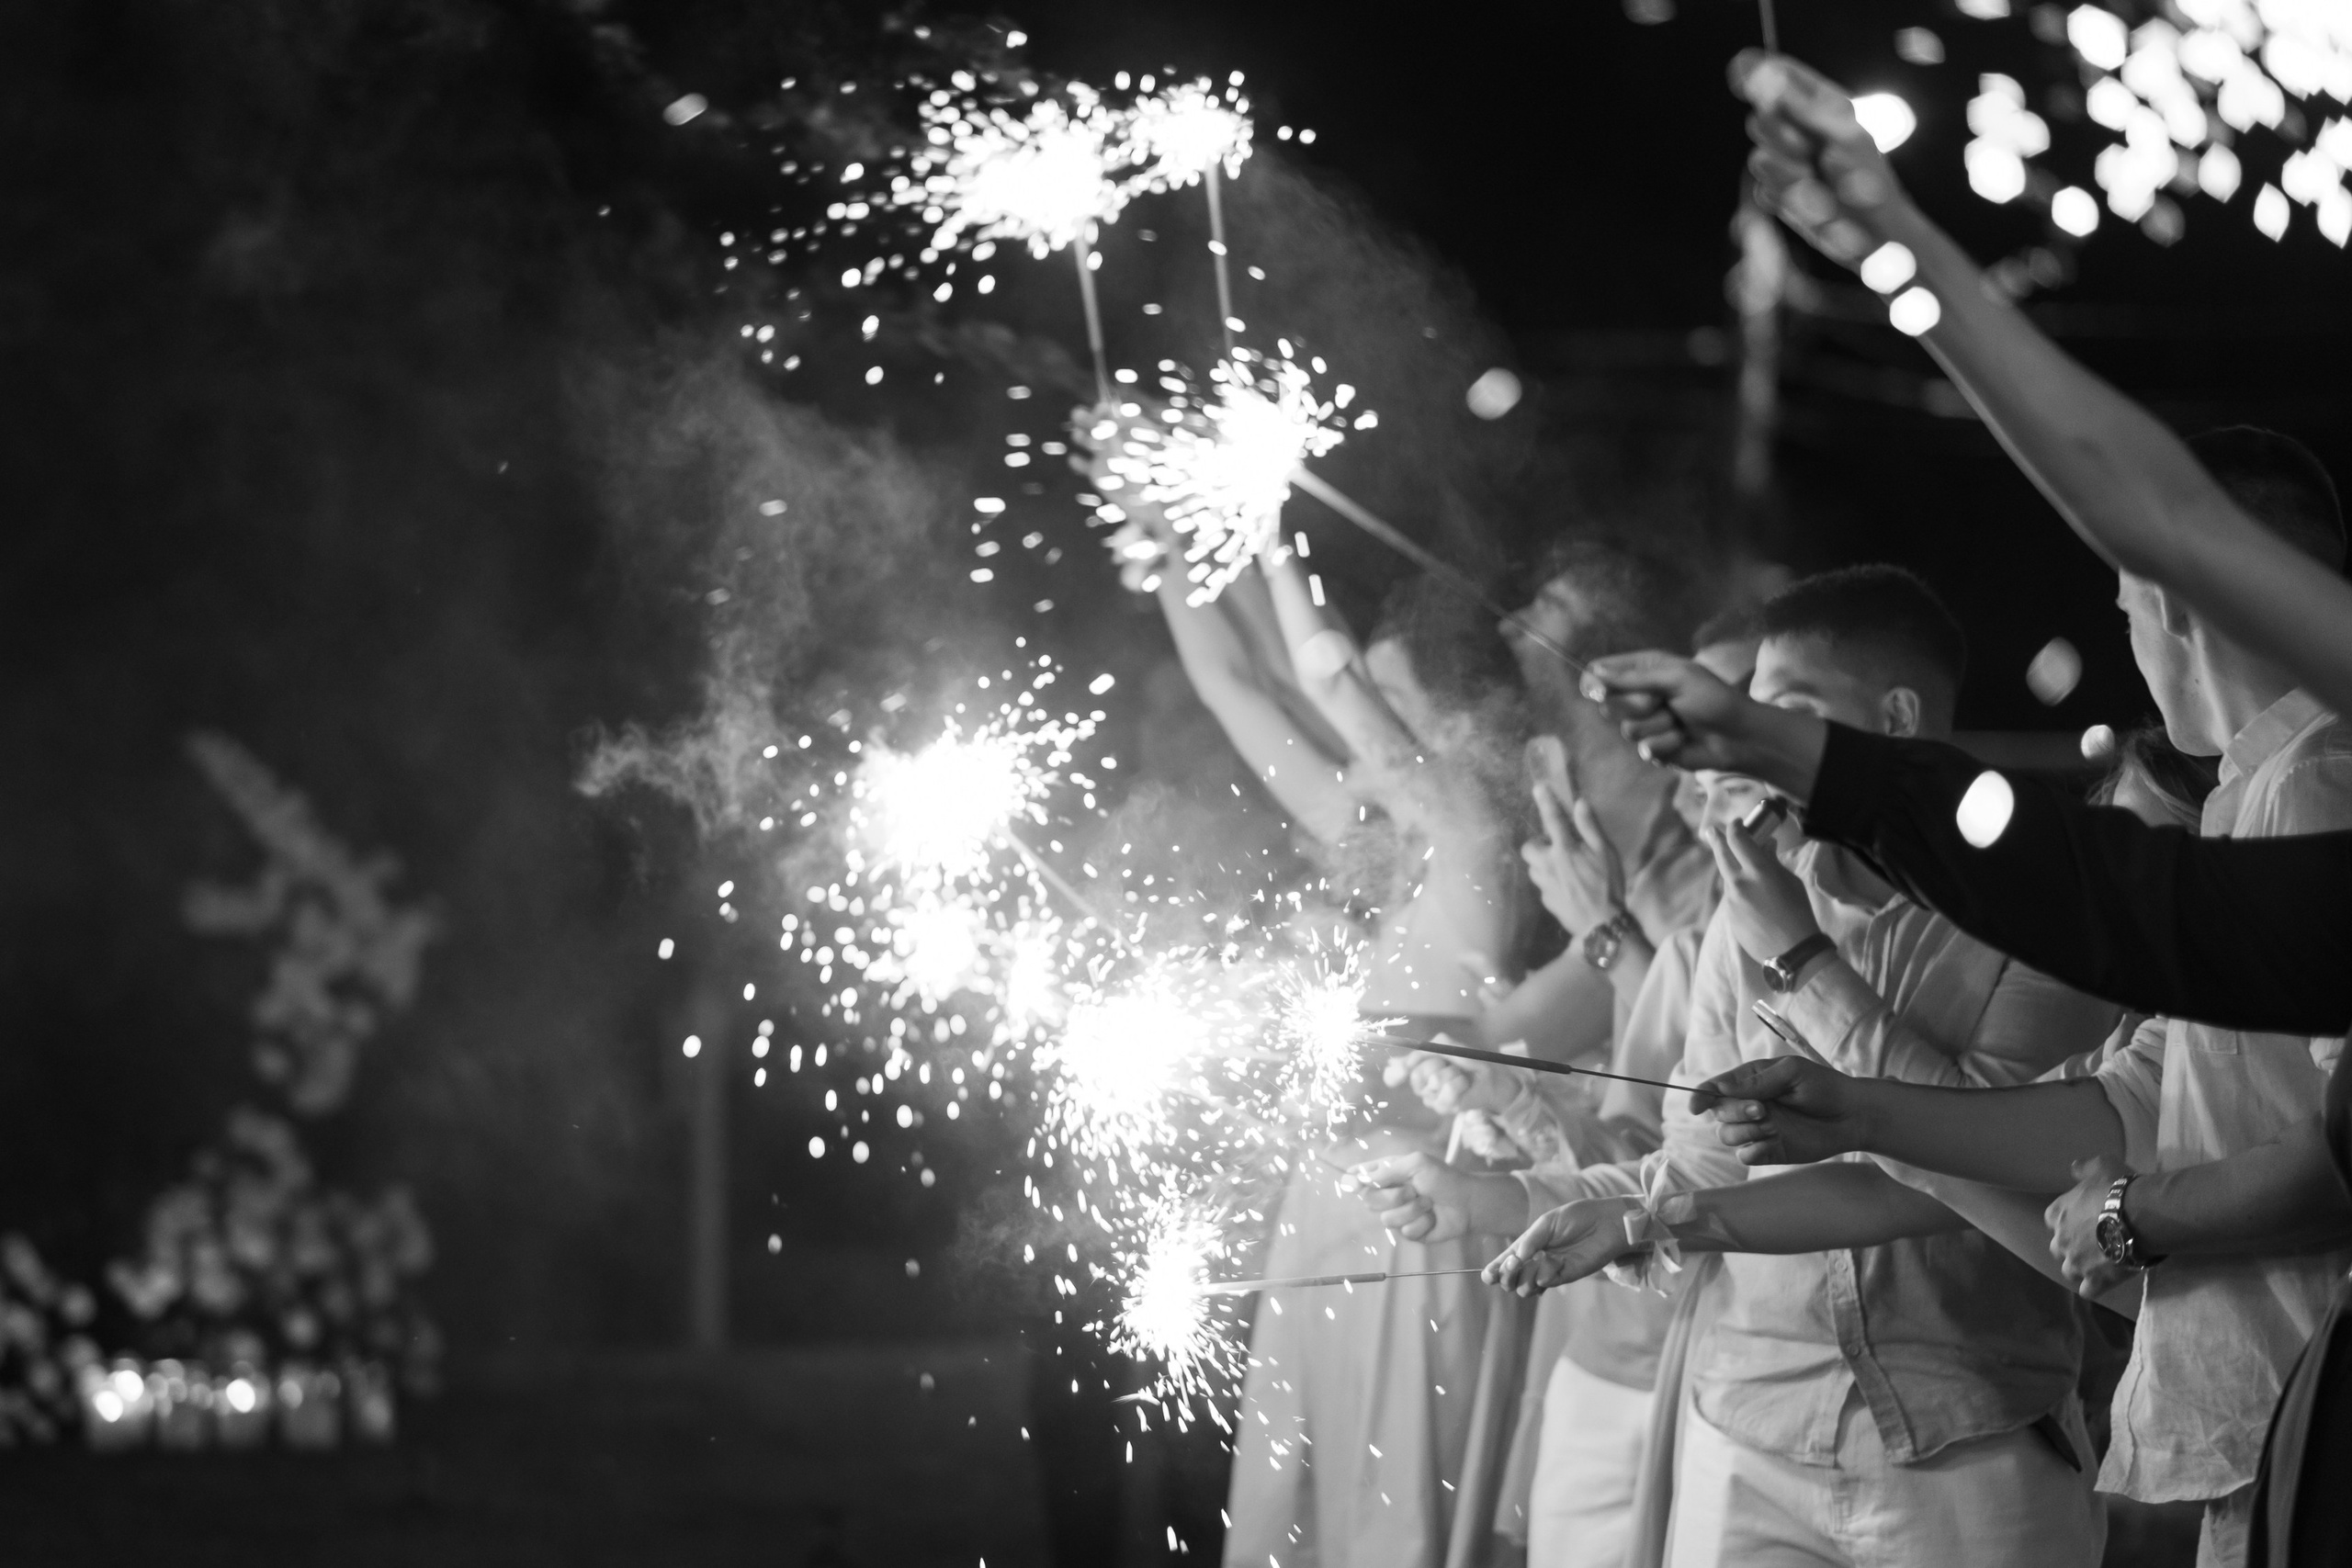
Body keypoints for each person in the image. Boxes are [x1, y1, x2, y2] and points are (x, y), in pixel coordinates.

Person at [1367, 566, 2118, 1568]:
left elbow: (1986, 1166)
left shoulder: (2031, 910)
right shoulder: (1745, 910)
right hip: (1750, 1431)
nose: (1747, 741)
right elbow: (1694, 1166)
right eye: (1747, 712)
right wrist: (1496, 1201)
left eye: (1787, 712)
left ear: (1894, 718)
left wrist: (1804, 964)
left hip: (1970, 1442)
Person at [1087, 446, 1536, 1568]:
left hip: (1417, 1243)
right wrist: (1161, 536)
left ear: (1453, 732)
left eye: (1387, 708)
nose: (1355, 734)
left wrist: (1263, 515)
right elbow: (1233, 686)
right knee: (1297, 1510)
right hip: (1319, 1220)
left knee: (1397, 1529)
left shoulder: (1478, 860)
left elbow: (1317, 678)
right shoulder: (1373, 844)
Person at [1385, 609, 1762, 1568]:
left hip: (1729, 1365)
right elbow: (1636, 1135)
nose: (1694, 751)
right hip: (1610, 1325)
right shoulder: (1671, 914)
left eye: (1748, 707)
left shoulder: (1701, 897)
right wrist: (1501, 1104)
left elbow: (1699, 1128)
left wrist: (1604, 937)